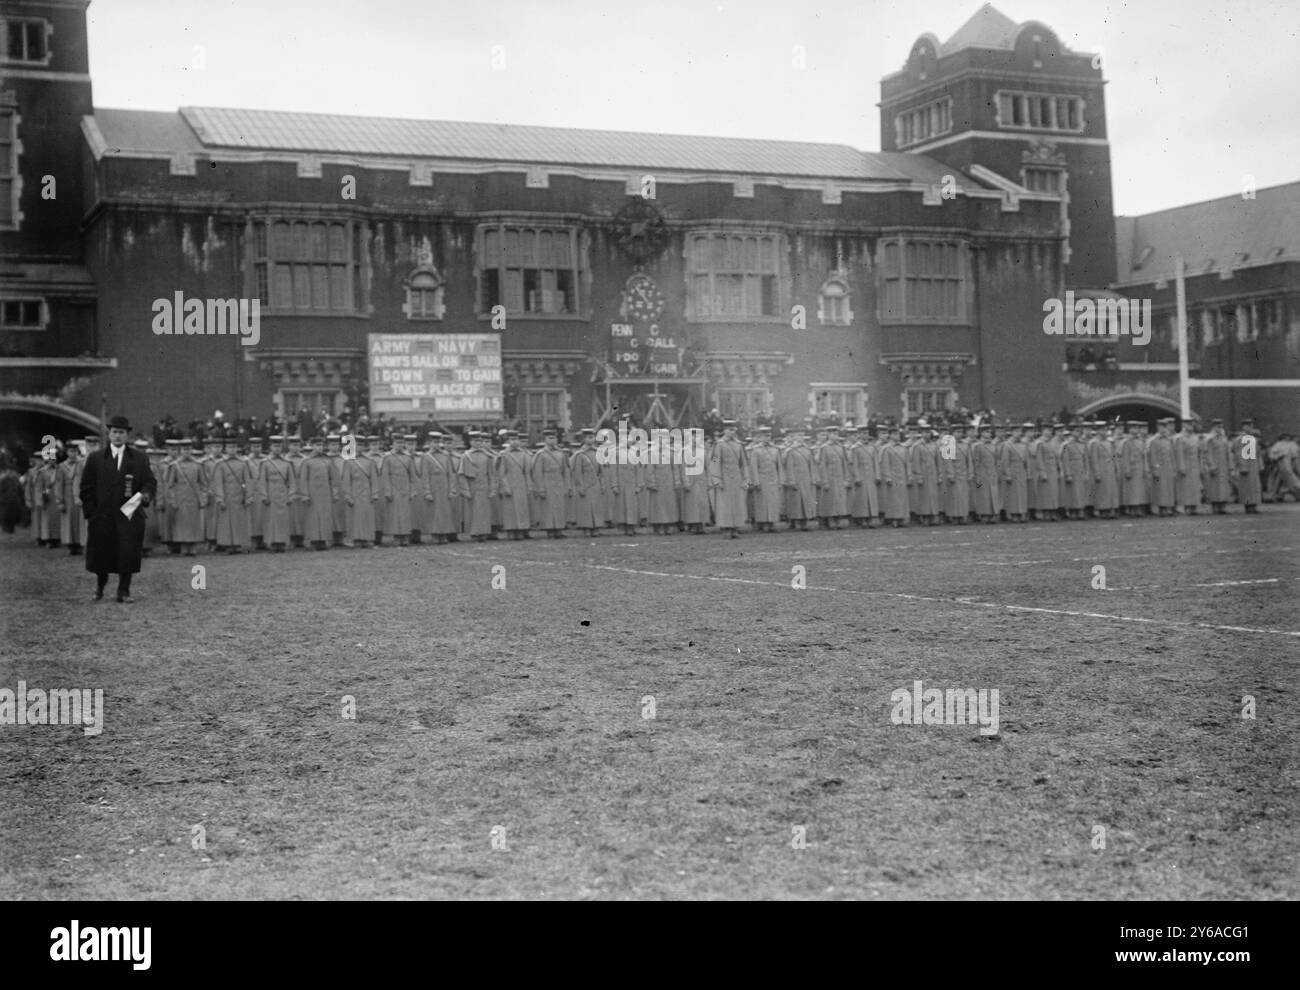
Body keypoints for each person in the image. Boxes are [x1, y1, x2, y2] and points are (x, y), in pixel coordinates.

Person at [80, 415, 157, 603]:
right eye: (114, 432)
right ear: (109, 434)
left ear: (127, 435)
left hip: (129, 516)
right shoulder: (96, 458)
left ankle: (124, 591)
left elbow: (149, 482)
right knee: (101, 555)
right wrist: (92, 513)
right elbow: (86, 487)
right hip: (103, 516)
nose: (117, 436)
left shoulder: (139, 459)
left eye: (121, 432)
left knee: (128, 553)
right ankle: (99, 588)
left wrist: (145, 495)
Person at [708, 419, 749, 539]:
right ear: (724, 431)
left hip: (736, 478)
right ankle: (726, 529)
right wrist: (716, 479)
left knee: (737, 504)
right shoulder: (719, 445)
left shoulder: (739, 445)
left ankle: (735, 528)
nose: (731, 432)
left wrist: (746, 478)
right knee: (724, 505)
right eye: (729, 430)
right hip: (724, 478)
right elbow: (715, 461)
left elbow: (744, 463)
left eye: (733, 430)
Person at [166, 439, 206, 555]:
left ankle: (193, 546)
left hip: (194, 498)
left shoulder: (198, 465)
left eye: (188, 449)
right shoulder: (175, 466)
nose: (186, 452)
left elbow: (203, 483)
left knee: (194, 523)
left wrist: (203, 498)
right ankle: (183, 546)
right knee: (181, 523)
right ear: (180, 451)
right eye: (184, 449)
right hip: (180, 498)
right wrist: (172, 500)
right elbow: (170, 485)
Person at [529, 428, 570, 539]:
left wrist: (567, 486)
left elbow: (566, 471)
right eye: (549, 438)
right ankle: (550, 530)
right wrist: (540, 488)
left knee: (559, 507)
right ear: (545, 440)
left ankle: (559, 529)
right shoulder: (541, 454)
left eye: (554, 438)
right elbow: (537, 473)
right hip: (547, 482)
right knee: (548, 508)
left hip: (559, 481)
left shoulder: (561, 453)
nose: (552, 440)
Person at [495, 430, 532, 540]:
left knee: (521, 508)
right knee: (510, 509)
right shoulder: (504, 454)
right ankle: (511, 530)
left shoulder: (524, 454)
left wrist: (528, 486)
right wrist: (505, 486)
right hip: (510, 483)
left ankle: (521, 529)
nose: (515, 441)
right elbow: (502, 473)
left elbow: (527, 472)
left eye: (516, 439)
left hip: (521, 484)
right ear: (508, 441)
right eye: (512, 439)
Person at [55, 439, 86, 554]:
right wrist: (59, 501)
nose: (73, 453)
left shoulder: (82, 463)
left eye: (75, 451)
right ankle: (71, 545)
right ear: (67, 452)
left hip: (80, 495)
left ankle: (80, 544)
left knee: (80, 520)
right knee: (68, 521)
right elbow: (58, 484)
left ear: (78, 452)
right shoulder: (62, 466)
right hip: (67, 495)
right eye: (70, 451)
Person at [1233, 419, 1262, 513]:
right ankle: (1248, 506)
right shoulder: (1241, 439)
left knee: (1254, 486)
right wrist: (1243, 466)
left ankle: (1254, 504)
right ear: (1243, 427)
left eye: (1251, 426)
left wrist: (1260, 465)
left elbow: (1258, 453)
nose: (1249, 428)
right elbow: (1239, 453)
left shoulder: (1253, 438)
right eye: (1247, 426)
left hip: (1253, 464)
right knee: (1247, 487)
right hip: (1246, 465)